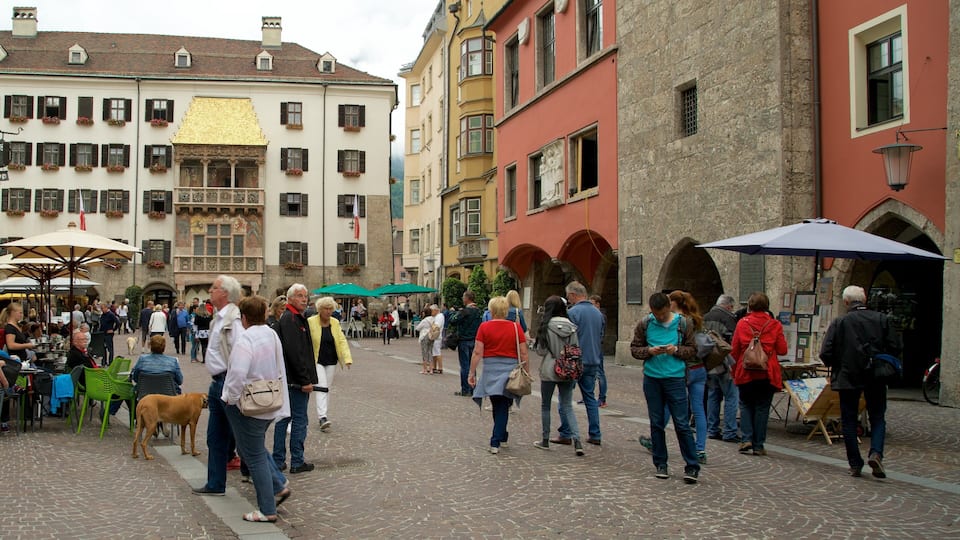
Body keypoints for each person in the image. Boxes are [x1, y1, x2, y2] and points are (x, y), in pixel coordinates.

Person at [222, 295, 292, 523]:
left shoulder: (245, 340)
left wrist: (230, 397)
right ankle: (278, 485)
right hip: (271, 397)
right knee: (254, 450)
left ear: (244, 317)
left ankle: (267, 508)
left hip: (251, 403)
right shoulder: (270, 333)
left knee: (253, 455)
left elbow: (237, 374)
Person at [820, 285, 901, 478]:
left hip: (848, 376)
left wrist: (838, 363)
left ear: (847, 302)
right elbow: (895, 346)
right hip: (876, 375)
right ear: (864, 300)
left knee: (848, 419)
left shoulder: (840, 322)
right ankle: (876, 453)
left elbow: (826, 352)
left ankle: (855, 463)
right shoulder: (881, 319)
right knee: (878, 416)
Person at [630, 292, 700, 484]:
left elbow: (693, 350)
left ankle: (692, 465)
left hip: (675, 378)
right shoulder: (645, 323)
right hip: (652, 379)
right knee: (656, 422)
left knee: (682, 423)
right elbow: (635, 349)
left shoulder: (683, 323)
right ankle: (661, 463)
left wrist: (676, 350)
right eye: (655, 314)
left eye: (661, 313)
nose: (659, 318)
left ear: (669, 307)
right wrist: (649, 351)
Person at [193, 275, 245, 497]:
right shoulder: (218, 318)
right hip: (217, 383)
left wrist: (233, 386)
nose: (210, 290)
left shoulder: (233, 321)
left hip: (227, 381)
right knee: (215, 436)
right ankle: (215, 483)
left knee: (244, 437)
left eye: (213, 288)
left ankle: (277, 482)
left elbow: (240, 353)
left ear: (224, 293)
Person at [467, 296, 529, 454]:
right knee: (502, 405)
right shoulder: (516, 328)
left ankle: (496, 440)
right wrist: (527, 372)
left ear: (492, 310)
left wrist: (471, 372)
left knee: (498, 404)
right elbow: (523, 353)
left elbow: (477, 351)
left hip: (491, 369)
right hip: (510, 370)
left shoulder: (484, 327)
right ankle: (502, 436)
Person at [730, 292, 787, 457]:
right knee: (762, 408)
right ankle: (758, 445)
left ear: (750, 306)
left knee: (746, 404)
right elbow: (783, 349)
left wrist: (734, 371)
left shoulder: (742, 323)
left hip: (745, 370)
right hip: (767, 372)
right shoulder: (774, 324)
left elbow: (734, 350)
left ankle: (746, 438)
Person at [272, 283, 317, 474]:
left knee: (285, 418)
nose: (304, 299)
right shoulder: (291, 319)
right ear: (290, 298)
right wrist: (305, 380)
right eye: (299, 296)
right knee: (298, 420)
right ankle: (295, 460)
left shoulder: (295, 317)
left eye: (305, 296)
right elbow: (295, 353)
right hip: (295, 381)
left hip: (291, 379)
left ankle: (279, 459)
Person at [532, 295, 585, 456]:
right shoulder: (572, 327)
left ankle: (545, 439)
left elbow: (540, 351)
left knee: (546, 406)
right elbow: (575, 349)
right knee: (567, 405)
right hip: (568, 368)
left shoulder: (546, 326)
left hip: (549, 368)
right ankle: (577, 441)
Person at [557, 281, 605, 446]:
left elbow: (565, 336)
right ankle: (595, 433)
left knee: (565, 397)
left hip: (575, 361)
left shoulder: (572, 312)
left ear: (572, 295)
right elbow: (600, 335)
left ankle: (565, 432)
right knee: (590, 397)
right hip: (593, 359)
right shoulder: (598, 313)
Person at [307, 296, 353, 432]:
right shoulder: (311, 322)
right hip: (317, 360)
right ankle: (323, 417)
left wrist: (347, 358)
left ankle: (323, 414)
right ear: (320, 309)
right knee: (321, 386)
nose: (328, 311)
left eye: (330, 309)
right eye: (325, 309)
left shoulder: (335, 322)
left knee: (327, 387)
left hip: (331, 360)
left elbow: (341, 340)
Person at [703, 294, 740, 443]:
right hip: (725, 362)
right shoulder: (730, 319)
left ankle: (712, 429)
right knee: (731, 396)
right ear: (729, 306)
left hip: (709, 363)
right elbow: (733, 343)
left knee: (713, 395)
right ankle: (730, 431)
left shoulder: (705, 317)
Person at [450, 291, 482, 397]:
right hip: (474, 340)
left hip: (464, 340)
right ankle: (473, 388)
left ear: (467, 298)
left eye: (463, 297)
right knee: (472, 365)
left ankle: (465, 389)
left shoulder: (465, 311)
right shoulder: (478, 311)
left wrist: (453, 313)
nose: (462, 299)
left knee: (464, 366)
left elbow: (453, 320)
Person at [415, 307, 435, 374]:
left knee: (424, 352)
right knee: (430, 352)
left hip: (424, 336)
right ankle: (431, 369)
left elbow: (417, 328)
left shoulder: (424, 320)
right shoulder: (433, 319)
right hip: (431, 335)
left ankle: (425, 369)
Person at [429, 304, 444, 374]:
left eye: (431, 311)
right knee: (434, 352)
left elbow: (436, 326)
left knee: (437, 352)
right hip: (436, 336)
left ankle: (440, 367)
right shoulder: (437, 316)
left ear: (435, 310)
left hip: (437, 336)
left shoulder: (439, 316)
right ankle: (434, 366)